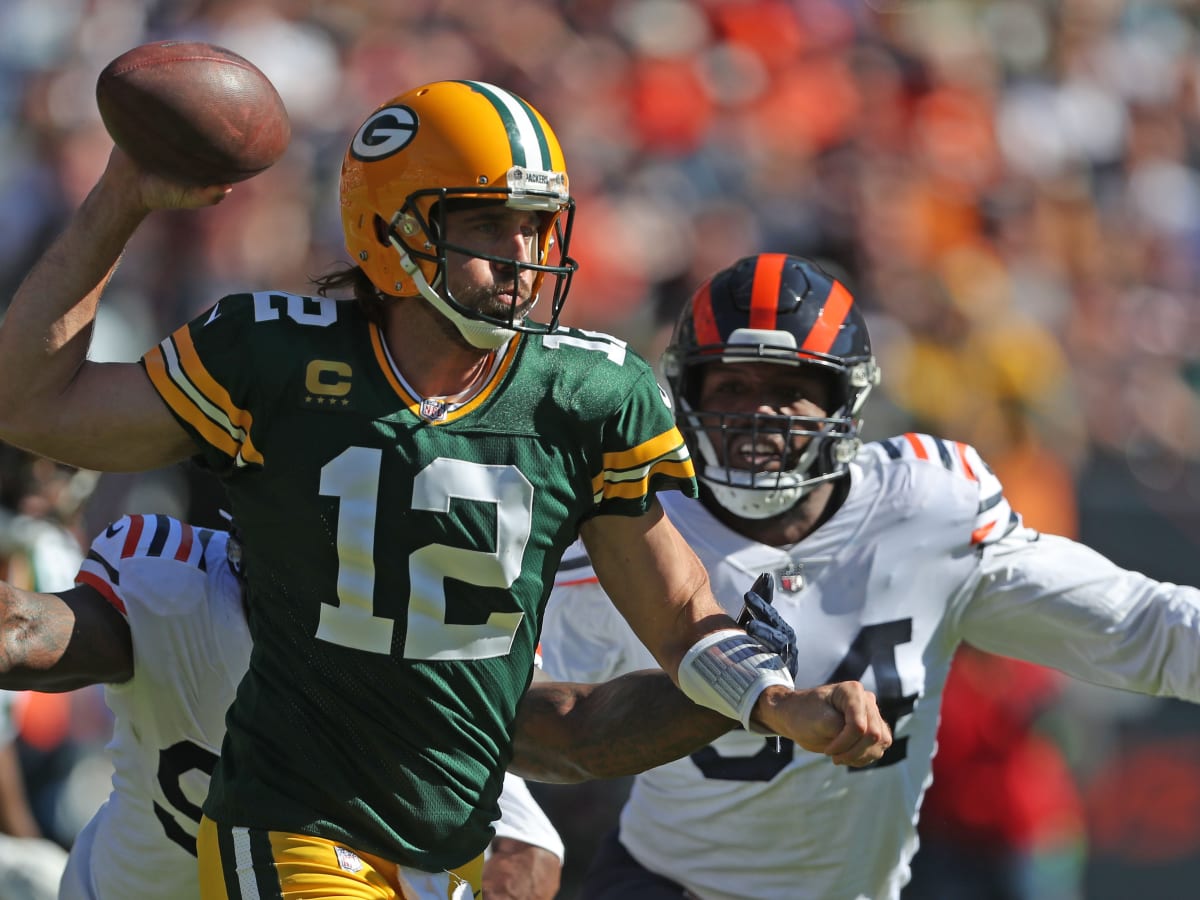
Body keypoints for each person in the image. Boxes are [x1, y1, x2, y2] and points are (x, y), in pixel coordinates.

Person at [0, 76, 890, 898]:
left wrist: (776, 699)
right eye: (490, 223)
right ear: (393, 223)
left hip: (450, 838)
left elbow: (678, 612)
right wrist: (123, 197)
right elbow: (35, 405)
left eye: (538, 225)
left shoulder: (587, 397)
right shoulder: (275, 361)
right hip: (293, 822)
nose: (524, 253)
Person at [539, 252, 1200, 900]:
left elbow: (1141, 628)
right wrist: (519, 833)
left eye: (789, 387)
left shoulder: (928, 504)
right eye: (733, 385)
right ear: (687, 395)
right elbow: (499, 703)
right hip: (670, 883)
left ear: (844, 398)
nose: (758, 414)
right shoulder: (639, 527)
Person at [0, 513, 806, 900]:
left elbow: (561, 756)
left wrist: (724, 693)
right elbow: (29, 633)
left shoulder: (423, 651)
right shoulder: (176, 590)